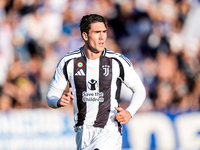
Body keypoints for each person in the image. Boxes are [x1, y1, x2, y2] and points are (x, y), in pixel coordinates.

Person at [46, 14, 146, 150]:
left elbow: (139, 89)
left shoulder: (117, 61)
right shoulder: (68, 62)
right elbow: (51, 95)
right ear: (85, 36)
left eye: (104, 32)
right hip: (82, 132)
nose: (102, 37)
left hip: (109, 130)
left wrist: (130, 112)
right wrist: (58, 101)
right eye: (97, 32)